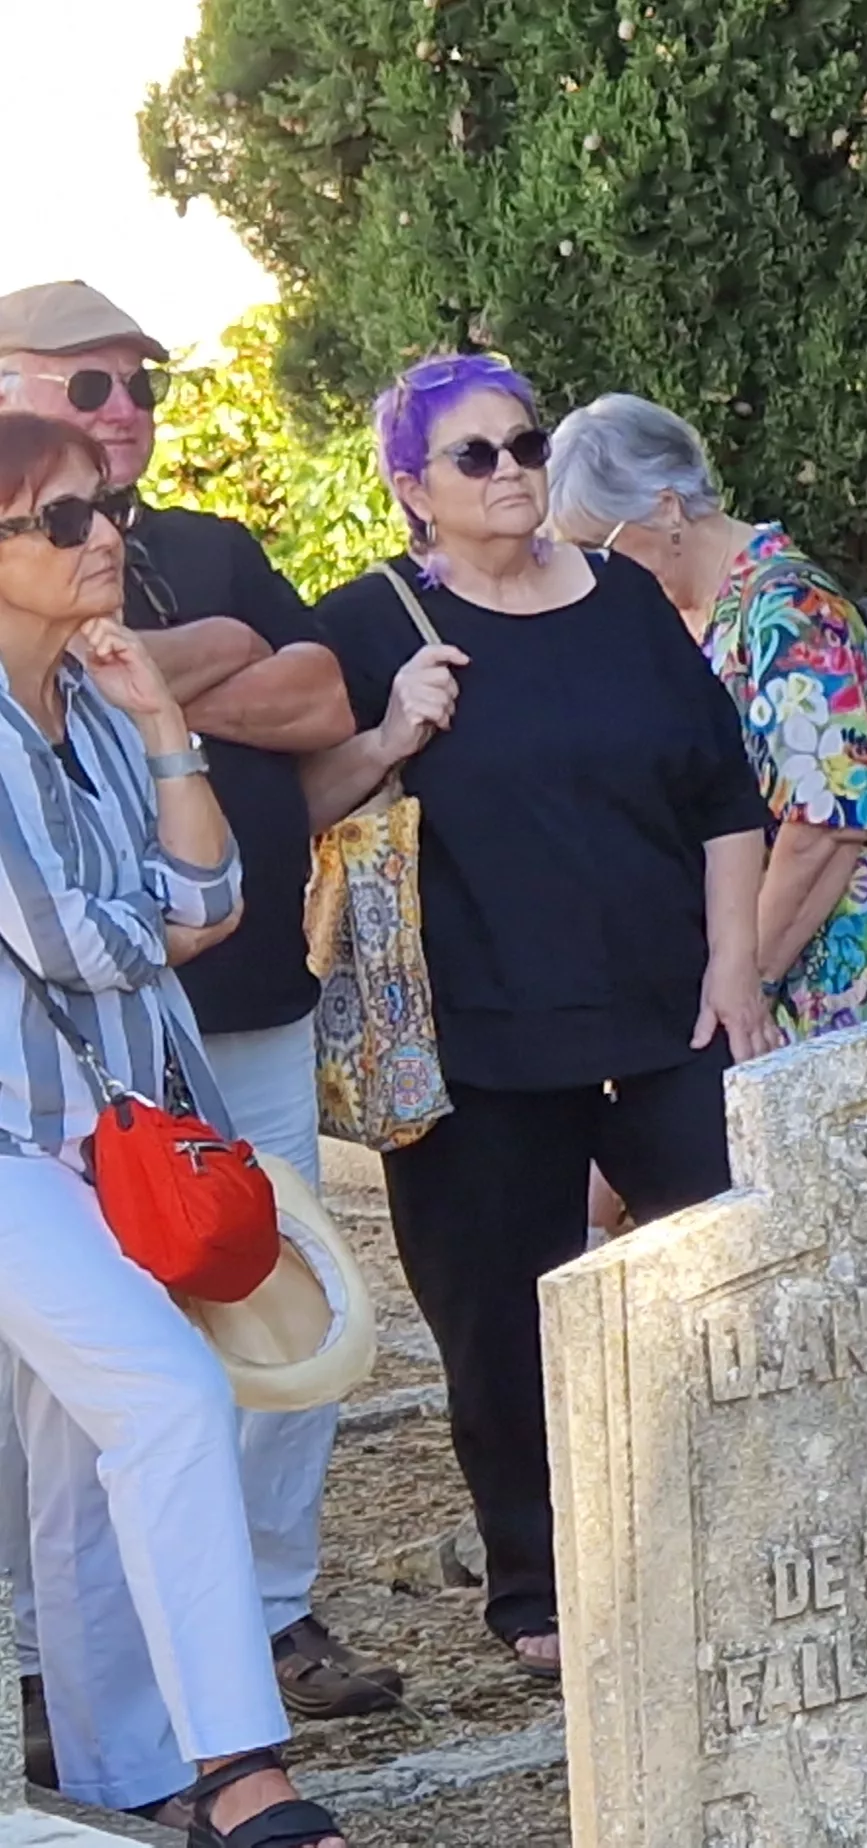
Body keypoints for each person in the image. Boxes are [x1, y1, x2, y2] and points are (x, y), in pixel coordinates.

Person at [303, 356, 771, 1682]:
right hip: (475, 1041)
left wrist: (734, 970)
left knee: (730, 1286)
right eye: (476, 458)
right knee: (497, 1325)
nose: (511, 472)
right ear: (412, 491)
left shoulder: (622, 597)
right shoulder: (366, 626)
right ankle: (540, 1587)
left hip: (666, 1017)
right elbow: (295, 806)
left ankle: (738, 1538)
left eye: (525, 445)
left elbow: (725, 800)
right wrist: (391, 733)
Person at [0, 279, 402, 1731]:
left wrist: (174, 683)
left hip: (226, 1024)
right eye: (84, 388)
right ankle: (104, 1688)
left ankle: (266, 1614)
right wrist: (194, 661)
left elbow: (316, 700)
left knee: (272, 1304)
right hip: (54, 1089)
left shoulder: (200, 545)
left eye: (138, 387)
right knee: (95, 1393)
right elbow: (84, 931)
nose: (122, 419)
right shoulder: (66, 579)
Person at [544, 393, 867, 1039]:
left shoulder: (787, 607)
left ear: (666, 508)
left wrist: (747, 979)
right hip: (786, 955)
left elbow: (829, 822)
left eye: (597, 547)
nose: (587, 571)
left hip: (864, 959)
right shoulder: (689, 619)